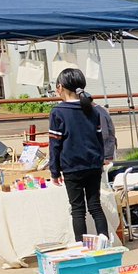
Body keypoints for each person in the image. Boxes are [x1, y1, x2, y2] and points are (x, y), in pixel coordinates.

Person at [48, 68, 109, 242]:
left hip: (72, 167)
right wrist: (100, 161)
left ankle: (81, 247)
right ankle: (105, 243)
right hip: (94, 164)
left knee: (78, 210)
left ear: (60, 87)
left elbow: (55, 145)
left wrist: (54, 171)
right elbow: (99, 139)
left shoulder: (58, 112)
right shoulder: (93, 110)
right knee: (95, 206)